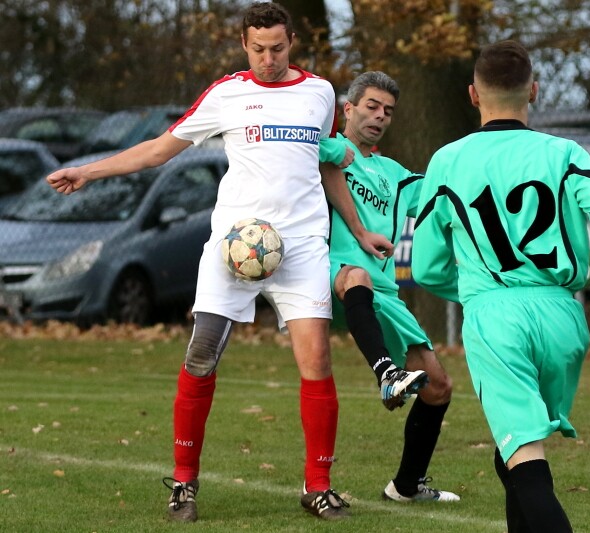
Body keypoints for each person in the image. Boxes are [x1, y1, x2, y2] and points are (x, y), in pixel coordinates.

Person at [46, 1, 391, 523]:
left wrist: (360, 230)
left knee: (317, 360)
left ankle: (318, 486)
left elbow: (326, 165)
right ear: (243, 45)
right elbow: (159, 149)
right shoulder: (226, 94)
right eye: (259, 49)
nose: (269, 59)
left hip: (300, 245)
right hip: (234, 245)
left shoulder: (319, 93)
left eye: (278, 48)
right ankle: (184, 483)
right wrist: (88, 172)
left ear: (292, 43)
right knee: (201, 355)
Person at [410, 40, 590, 532]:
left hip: (496, 319)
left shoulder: (449, 160)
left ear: (473, 95)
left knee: (524, 459)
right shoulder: (564, 153)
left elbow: (428, 267)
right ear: (534, 91)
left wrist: (479, 292)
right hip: (562, 315)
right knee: (513, 455)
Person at [318, 71, 460, 503]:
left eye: (388, 111)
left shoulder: (395, 175)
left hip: (384, 295)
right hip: (330, 272)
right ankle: (386, 373)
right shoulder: (327, 150)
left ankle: (405, 486)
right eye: (372, 106)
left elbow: (444, 194)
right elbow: (300, 151)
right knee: (356, 276)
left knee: (438, 386)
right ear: (348, 108)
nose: (380, 116)